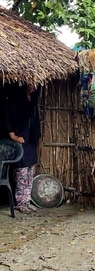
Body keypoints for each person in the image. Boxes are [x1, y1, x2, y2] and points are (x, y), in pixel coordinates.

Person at [2, 84, 41, 214]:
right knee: (21, 172)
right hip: (21, 138)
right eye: (32, 84)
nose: (34, 87)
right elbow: (8, 117)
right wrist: (13, 135)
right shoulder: (16, 99)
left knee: (30, 171)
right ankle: (20, 202)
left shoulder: (33, 99)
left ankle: (27, 200)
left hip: (31, 139)